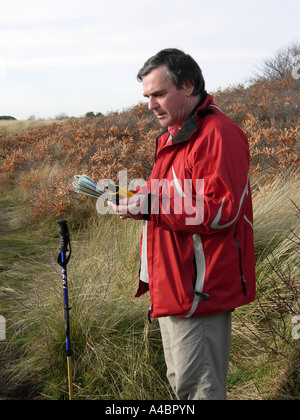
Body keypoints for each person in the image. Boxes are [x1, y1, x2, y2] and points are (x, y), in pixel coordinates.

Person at [109, 48, 256, 400]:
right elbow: (168, 192)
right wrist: (135, 198)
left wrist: (152, 205)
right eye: (147, 97)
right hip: (173, 284)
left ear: (188, 86)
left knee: (199, 390)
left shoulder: (218, 134)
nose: (150, 105)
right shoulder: (173, 136)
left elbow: (221, 210)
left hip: (200, 290)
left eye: (158, 94)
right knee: (182, 384)